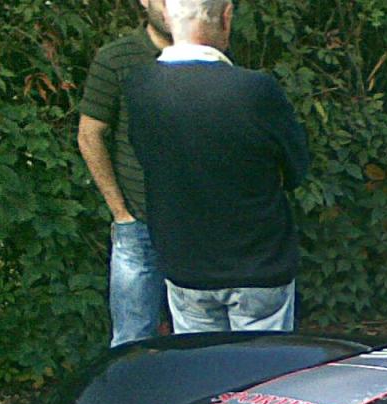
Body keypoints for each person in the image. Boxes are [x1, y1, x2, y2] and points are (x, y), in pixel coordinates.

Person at [125, 0, 310, 333]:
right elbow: (296, 168)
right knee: (260, 377)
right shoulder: (255, 90)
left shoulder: (141, 87)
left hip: (186, 264)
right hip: (259, 264)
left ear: (167, 15)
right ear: (227, 17)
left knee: (203, 375)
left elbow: (147, 161)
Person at [78, 0, 173, 347]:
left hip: (197, 226)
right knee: (132, 343)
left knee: (205, 342)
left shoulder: (209, 57)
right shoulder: (117, 57)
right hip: (139, 226)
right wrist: (122, 213)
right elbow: (90, 134)